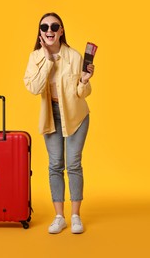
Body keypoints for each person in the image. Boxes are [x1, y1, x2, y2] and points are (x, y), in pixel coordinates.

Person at [23, 12, 95, 234]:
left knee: (73, 164)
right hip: (51, 116)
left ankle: (75, 216)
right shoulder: (35, 57)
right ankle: (59, 217)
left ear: (61, 30)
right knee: (55, 165)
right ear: (40, 33)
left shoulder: (74, 56)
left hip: (76, 116)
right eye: (44, 27)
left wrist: (84, 81)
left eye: (55, 26)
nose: (50, 30)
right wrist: (46, 58)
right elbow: (33, 88)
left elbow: (83, 94)